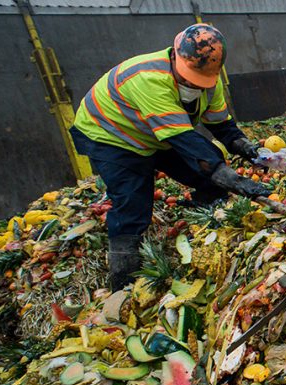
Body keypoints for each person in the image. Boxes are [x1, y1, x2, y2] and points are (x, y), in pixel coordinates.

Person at [70, 24, 269, 291]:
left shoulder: (210, 82)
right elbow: (183, 140)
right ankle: (124, 283)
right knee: (133, 202)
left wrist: (244, 146)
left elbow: (221, 124)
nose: (191, 85)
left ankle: (208, 223)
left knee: (207, 172)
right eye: (187, 79)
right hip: (112, 135)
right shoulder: (149, 78)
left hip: (157, 132)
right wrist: (230, 176)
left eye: (198, 81)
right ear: (174, 57)